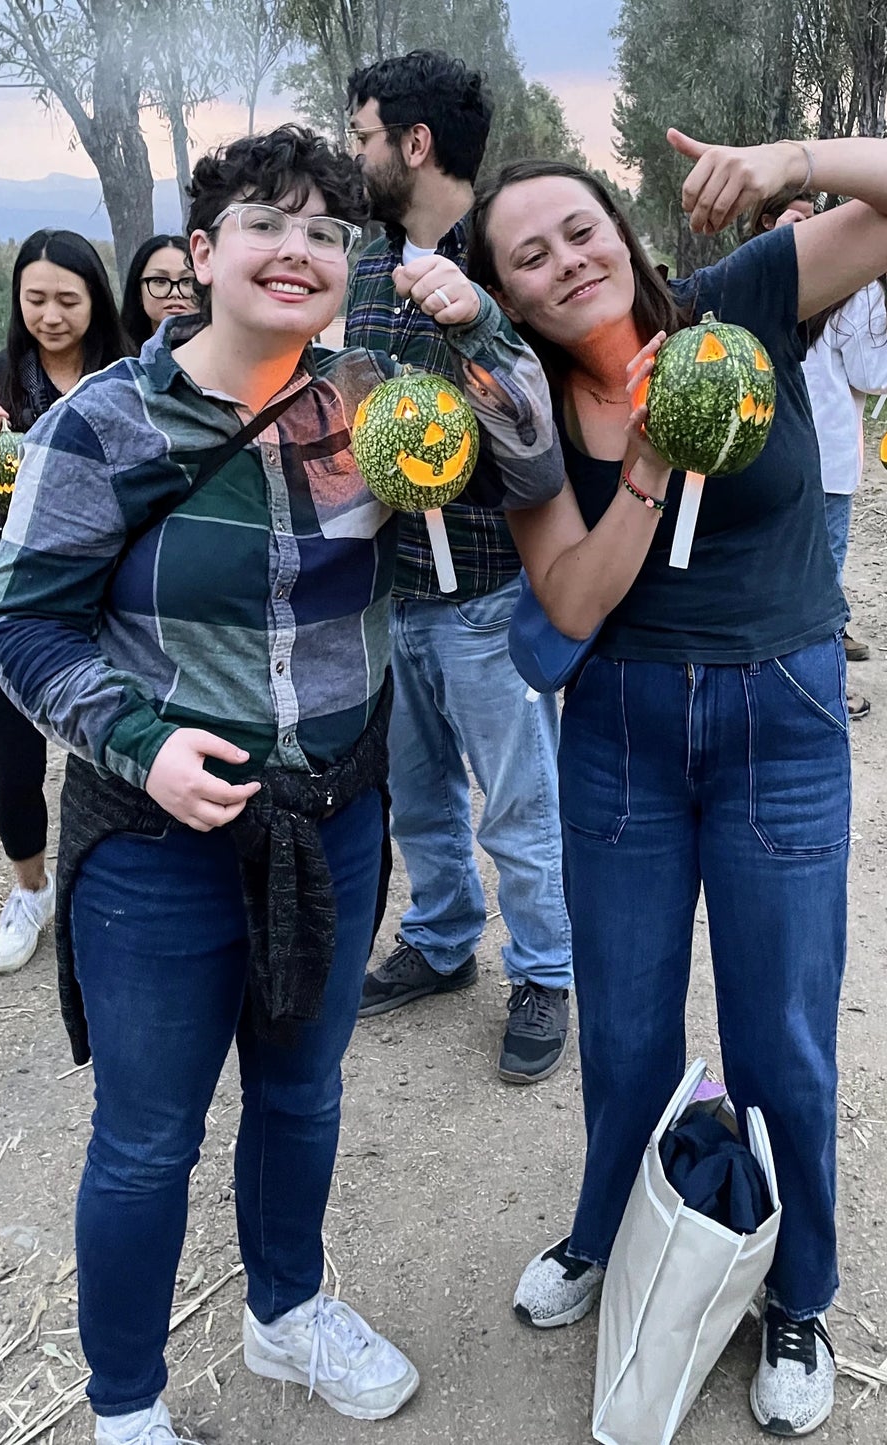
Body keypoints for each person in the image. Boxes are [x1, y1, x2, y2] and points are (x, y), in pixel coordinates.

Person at [0, 126, 563, 1445]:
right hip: (156, 837)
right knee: (147, 1135)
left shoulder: (369, 398)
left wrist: (476, 330)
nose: (296, 249)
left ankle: (286, 1311)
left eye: (324, 230)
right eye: (265, 222)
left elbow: (528, 463)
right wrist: (141, 743)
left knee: (302, 1089)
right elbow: (21, 627)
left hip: (335, 811)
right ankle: (123, 1407)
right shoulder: (103, 422)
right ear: (201, 255)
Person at [468, 132, 887, 1435]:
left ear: (618, 230)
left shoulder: (739, 299)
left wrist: (790, 158)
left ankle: (797, 1284)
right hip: (621, 733)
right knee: (626, 1035)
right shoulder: (522, 408)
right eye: (528, 255)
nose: (564, 260)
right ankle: (609, 1232)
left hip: (780, 719)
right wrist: (642, 466)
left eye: (576, 228)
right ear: (512, 295)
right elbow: (562, 613)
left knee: (780, 1040)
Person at [344, 51, 574, 1085]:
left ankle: (545, 966)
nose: (356, 155)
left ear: (413, 144)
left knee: (518, 800)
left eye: (362, 137)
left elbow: (540, 430)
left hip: (488, 589)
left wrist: (473, 327)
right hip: (386, 592)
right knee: (418, 793)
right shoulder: (357, 268)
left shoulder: (511, 264)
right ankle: (440, 936)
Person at [0, 230, 129, 976]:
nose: (50, 314)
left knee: (119, 751)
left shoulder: (127, 377)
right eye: (35, 299)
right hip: (7, 609)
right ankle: (30, 888)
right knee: (15, 767)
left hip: (117, 603)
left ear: (95, 301)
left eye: (67, 299)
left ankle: (119, 885)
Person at [799, 275, 887, 719]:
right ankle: (824, 687)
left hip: (786, 442)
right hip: (828, 451)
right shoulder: (861, 284)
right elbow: (871, 373)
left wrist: (878, 323)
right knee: (823, 571)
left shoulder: (805, 269)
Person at [119, 234, 197, 349]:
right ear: (139, 292)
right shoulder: (121, 363)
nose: (175, 292)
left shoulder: (227, 356)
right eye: (160, 281)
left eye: (187, 281)